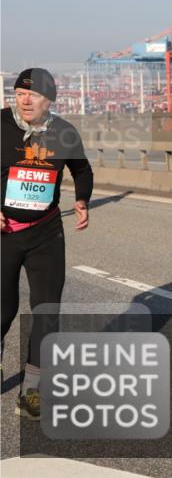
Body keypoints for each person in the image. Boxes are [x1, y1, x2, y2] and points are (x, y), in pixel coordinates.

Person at [2, 68, 93, 420]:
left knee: (47, 313)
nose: (25, 100)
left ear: (49, 100)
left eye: (34, 95)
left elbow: (82, 169)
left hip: (46, 233)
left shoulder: (64, 132)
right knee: (3, 310)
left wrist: (82, 199)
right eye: (19, 94)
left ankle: (31, 392)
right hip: (4, 234)